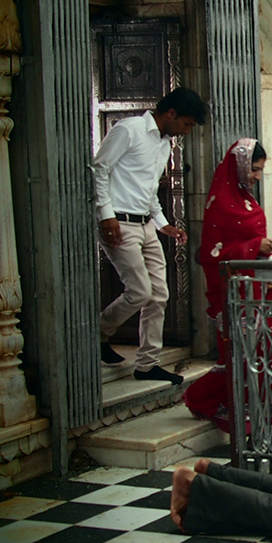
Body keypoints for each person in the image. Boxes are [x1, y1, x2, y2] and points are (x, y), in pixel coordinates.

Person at [93, 87, 207, 384]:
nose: (186, 131)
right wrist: (106, 214)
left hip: (145, 224)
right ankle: (97, 333)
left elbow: (149, 187)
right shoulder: (128, 130)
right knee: (140, 292)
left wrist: (162, 223)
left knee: (159, 294)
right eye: (187, 124)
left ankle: (147, 364)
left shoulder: (165, 143)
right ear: (171, 113)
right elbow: (99, 170)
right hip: (118, 223)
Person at [183, 139, 272, 430]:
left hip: (257, 289)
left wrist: (263, 251)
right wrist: (253, 246)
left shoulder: (246, 199)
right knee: (241, 352)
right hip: (233, 294)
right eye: (253, 169)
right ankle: (205, 400)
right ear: (238, 166)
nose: (257, 176)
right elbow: (211, 255)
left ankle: (266, 410)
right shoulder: (221, 204)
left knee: (267, 348)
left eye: (260, 170)